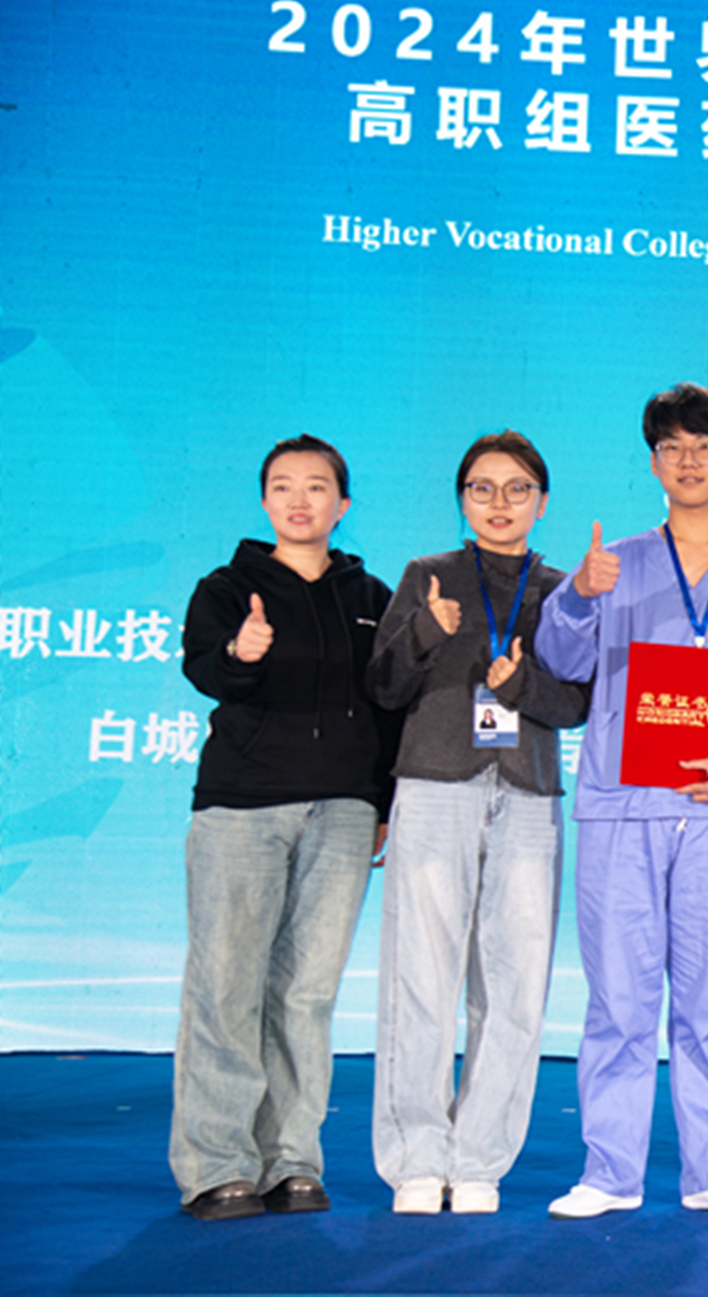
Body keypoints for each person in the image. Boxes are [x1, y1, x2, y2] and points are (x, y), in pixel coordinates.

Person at [534, 386, 708, 1222]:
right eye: (672, 448)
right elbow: (560, 661)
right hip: (623, 807)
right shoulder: (613, 564)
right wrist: (579, 596)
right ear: (653, 463)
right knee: (618, 999)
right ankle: (608, 1173)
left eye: (704, 447)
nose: (689, 462)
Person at [171, 434, 399, 1221]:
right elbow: (204, 669)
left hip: (343, 811)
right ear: (265, 501)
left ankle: (291, 1160)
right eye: (282, 486)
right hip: (244, 803)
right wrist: (242, 651)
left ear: (342, 503)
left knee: (307, 993)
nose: (299, 500)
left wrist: (382, 804)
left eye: (316, 486)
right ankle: (217, 1166)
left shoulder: (372, 596)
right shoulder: (227, 587)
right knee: (226, 986)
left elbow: (388, 706)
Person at [366, 431, 589, 1215]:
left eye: (517, 488)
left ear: (542, 502)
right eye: (482, 488)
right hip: (435, 784)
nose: (500, 503)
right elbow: (383, 685)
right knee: (420, 975)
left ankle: (480, 1159)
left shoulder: (563, 591)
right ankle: (417, 1157)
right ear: (462, 499)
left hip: (527, 792)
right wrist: (426, 631)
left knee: (516, 983)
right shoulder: (426, 575)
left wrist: (521, 685)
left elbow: (579, 703)